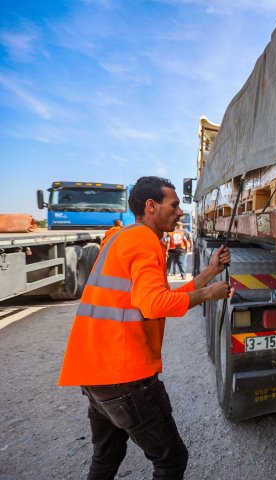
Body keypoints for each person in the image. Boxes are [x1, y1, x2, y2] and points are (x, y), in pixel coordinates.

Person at [58, 176, 233, 479]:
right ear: (151, 206)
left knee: (106, 457)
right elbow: (154, 305)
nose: (180, 212)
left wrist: (209, 272)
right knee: (171, 461)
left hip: (96, 372)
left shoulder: (121, 237)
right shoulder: (144, 241)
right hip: (124, 376)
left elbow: (154, 298)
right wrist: (208, 293)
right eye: (174, 205)